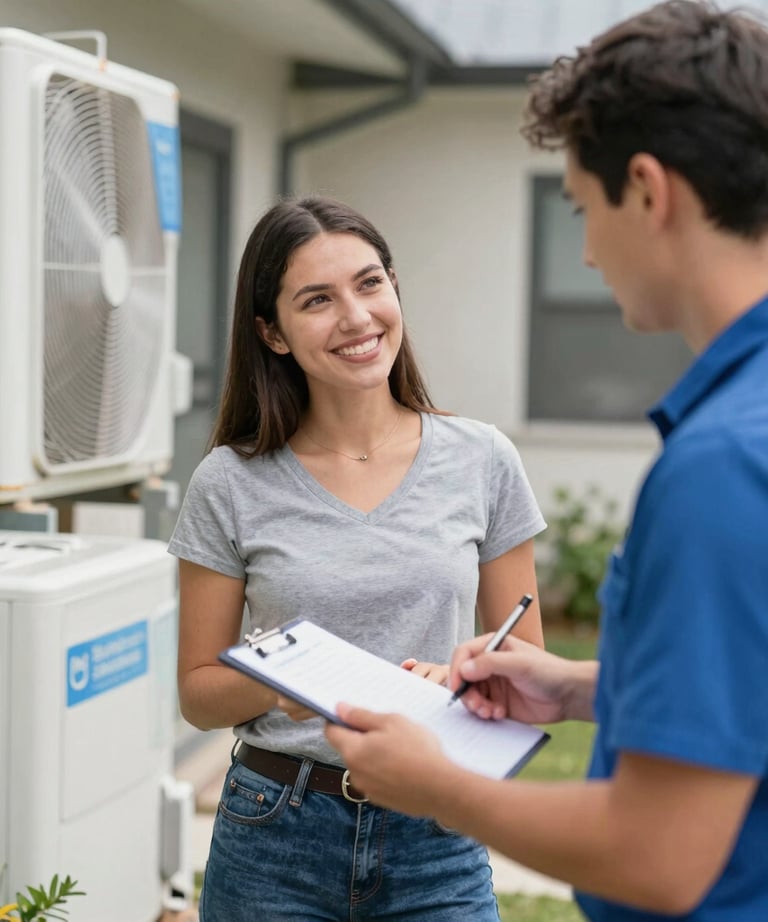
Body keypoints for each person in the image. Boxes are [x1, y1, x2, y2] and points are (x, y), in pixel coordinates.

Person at [325, 2, 768, 920]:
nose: (587, 251)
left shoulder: (721, 465)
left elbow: (660, 857)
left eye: (582, 206)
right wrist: (573, 687)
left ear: (648, 191)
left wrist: (437, 785)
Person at [167, 195, 546, 920]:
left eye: (370, 284)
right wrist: (281, 682)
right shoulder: (230, 480)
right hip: (275, 827)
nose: (356, 317)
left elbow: (525, 663)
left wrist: (464, 675)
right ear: (271, 333)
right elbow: (197, 692)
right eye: (317, 300)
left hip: (436, 825)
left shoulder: (482, 459)